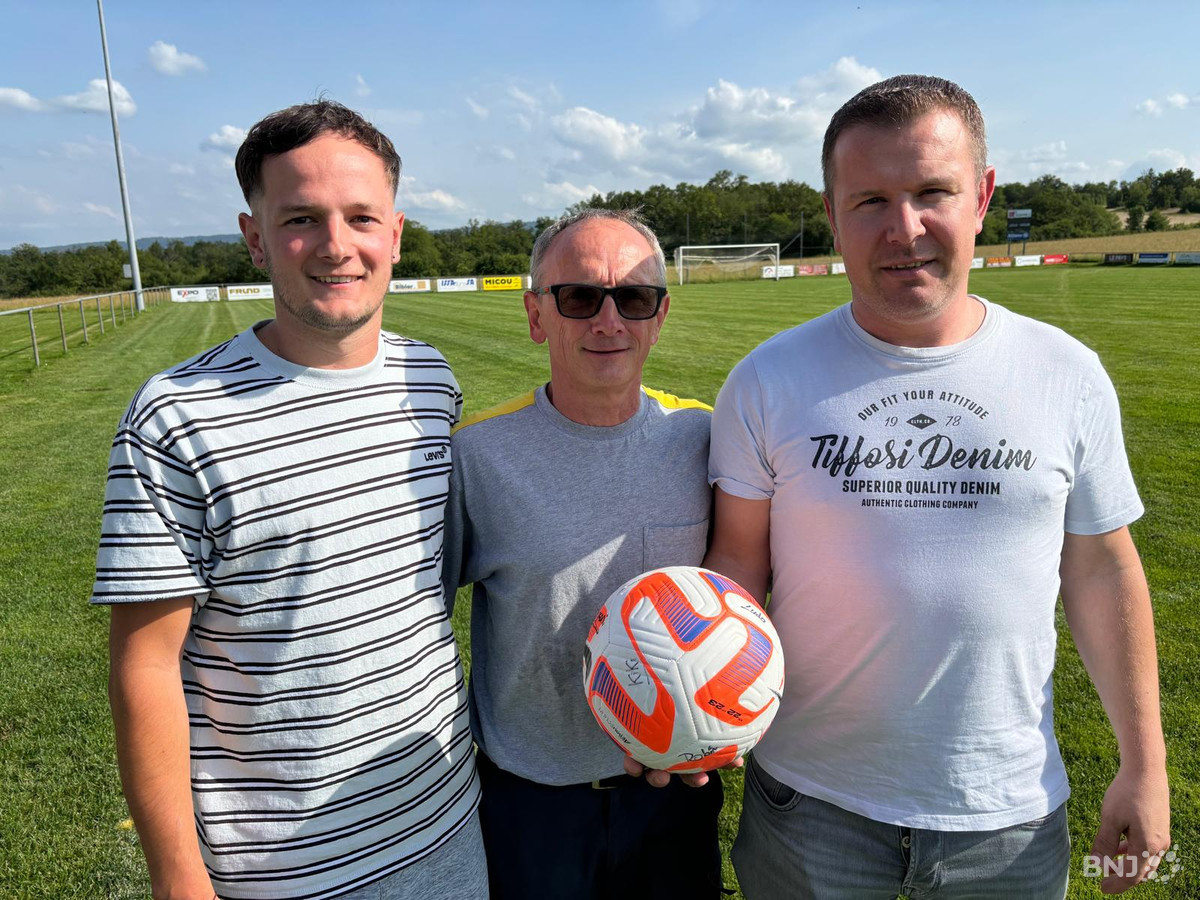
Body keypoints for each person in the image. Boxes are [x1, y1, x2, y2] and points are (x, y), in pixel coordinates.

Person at [705, 75, 1170, 899]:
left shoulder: (1067, 374)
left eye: (932, 193)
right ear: (832, 213)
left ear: (982, 197)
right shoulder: (766, 380)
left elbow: (1103, 569)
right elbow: (737, 565)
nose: (905, 228)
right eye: (871, 201)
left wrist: (1145, 764)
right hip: (809, 804)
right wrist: (701, 707)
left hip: (1007, 814)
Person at [93, 101, 487, 900]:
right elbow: (145, 665)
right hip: (281, 870)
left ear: (395, 234)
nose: (337, 245)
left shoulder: (430, 381)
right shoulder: (175, 418)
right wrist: (178, 878)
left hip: (445, 824)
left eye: (361, 217)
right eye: (301, 218)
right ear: (255, 237)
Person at [441, 208, 724, 899]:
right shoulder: (477, 455)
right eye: (579, 298)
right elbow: (418, 619)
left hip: (674, 788)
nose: (609, 321)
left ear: (660, 315)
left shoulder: (704, 438)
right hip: (533, 799)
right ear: (537, 314)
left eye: (634, 298)